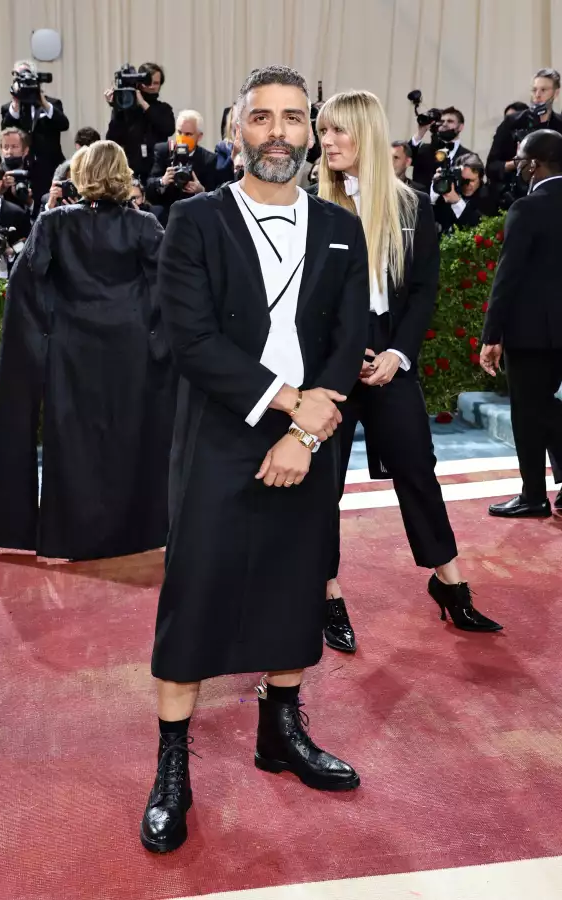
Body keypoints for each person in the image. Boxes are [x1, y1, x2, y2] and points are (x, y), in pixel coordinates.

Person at [140, 65, 370, 855]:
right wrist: (288, 405)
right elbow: (189, 338)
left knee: (292, 582)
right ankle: (173, 766)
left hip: (309, 438)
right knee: (196, 590)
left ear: (311, 132)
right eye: (263, 117)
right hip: (221, 430)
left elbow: (346, 340)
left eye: (293, 118)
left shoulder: (342, 226)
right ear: (239, 129)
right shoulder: (196, 220)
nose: (279, 132)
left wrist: (308, 433)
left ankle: (281, 733)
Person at [315, 89, 502, 655]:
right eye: (323, 132)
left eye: (339, 131)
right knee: (322, 486)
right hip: (329, 366)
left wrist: (397, 354)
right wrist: (344, 358)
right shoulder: (311, 208)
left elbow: (422, 292)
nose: (328, 142)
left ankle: (449, 584)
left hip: (391, 358)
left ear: (366, 134)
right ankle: (326, 593)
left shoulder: (412, 206)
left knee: (418, 468)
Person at [0, 141, 175, 560]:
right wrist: (160, 344)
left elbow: (26, 290)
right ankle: (134, 533)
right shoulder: (145, 226)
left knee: (73, 442)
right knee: (130, 438)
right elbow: (172, 288)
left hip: (71, 352)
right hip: (132, 352)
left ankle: (73, 535)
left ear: (81, 173)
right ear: (123, 174)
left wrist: (33, 349)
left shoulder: (53, 223)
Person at [481, 129, 562, 518]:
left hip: (533, 333)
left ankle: (533, 495)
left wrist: (491, 334)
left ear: (536, 164)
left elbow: (507, 276)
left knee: (530, 413)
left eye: (522, 158)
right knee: (544, 408)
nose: (519, 165)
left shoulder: (528, 207)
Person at [0, 60, 69, 205]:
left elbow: (64, 124)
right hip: (21, 169)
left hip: (49, 167)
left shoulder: (52, 104)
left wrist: (42, 101)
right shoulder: (9, 108)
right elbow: (5, 130)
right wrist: (16, 103)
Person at [487, 69, 562, 199]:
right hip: (516, 197)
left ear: (556, 93)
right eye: (534, 90)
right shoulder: (512, 123)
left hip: (554, 197)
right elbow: (491, 167)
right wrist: (516, 163)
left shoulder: (560, 124)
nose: (537, 95)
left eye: (543, 90)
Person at [145, 110, 220, 224]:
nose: (182, 137)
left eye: (188, 134)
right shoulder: (163, 151)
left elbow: (215, 196)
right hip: (167, 217)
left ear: (199, 137)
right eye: (179, 132)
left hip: (195, 218)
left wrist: (201, 191)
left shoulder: (208, 159)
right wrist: (162, 181)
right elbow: (149, 187)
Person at [105, 62, 175, 181]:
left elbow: (168, 129)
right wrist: (117, 107)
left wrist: (144, 105)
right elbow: (112, 138)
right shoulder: (127, 110)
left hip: (157, 171)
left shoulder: (164, 109)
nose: (152, 86)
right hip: (131, 170)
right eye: (148, 82)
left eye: (156, 83)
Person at [431, 152, 499, 236]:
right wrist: (434, 194)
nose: (467, 184)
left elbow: (480, 227)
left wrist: (457, 202)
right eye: (463, 180)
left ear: (480, 177)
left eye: (472, 180)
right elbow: (431, 223)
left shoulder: (490, 195)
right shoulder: (450, 190)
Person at [410, 107, 472, 191]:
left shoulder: (469, 157)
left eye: (450, 121)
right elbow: (405, 158)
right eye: (442, 121)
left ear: (460, 127)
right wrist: (420, 133)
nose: (444, 124)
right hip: (421, 202)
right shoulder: (424, 150)